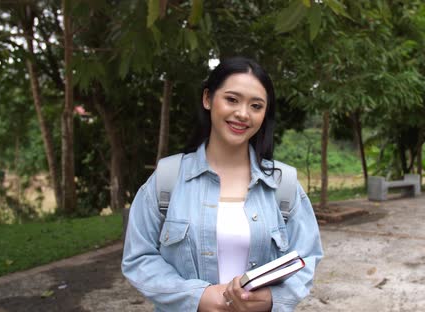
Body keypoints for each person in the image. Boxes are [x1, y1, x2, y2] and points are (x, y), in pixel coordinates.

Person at [122, 57, 323, 312]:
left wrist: (272, 298)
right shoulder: (167, 179)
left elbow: (308, 256)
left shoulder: (284, 185)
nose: (242, 113)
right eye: (232, 99)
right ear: (208, 99)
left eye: (256, 106)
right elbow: (139, 257)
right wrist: (198, 296)